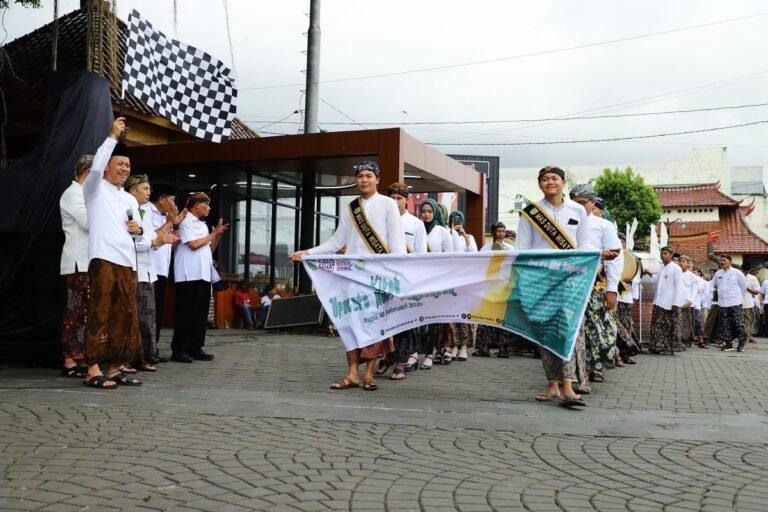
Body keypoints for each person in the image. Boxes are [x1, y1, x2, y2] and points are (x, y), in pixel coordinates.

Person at [290, 161, 406, 391]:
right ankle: (352, 373)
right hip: (351, 276)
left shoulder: (388, 205)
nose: (364, 180)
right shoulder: (350, 207)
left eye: (368, 176)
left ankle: (369, 374)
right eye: (360, 176)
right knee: (351, 324)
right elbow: (336, 242)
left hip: (376, 276)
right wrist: (307, 253)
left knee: (374, 324)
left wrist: (397, 274)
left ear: (377, 179)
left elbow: (397, 245)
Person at [516, 166, 593, 408]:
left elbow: (585, 243)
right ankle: (552, 385)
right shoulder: (530, 213)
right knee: (546, 331)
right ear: (539, 184)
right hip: (541, 281)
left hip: (570, 280)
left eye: (555, 178)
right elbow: (523, 250)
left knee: (568, 329)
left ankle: (568, 386)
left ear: (563, 182)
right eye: (545, 179)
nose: (550, 182)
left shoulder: (577, 210)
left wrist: (600, 255)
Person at [81, 117, 143, 389]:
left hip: (127, 262)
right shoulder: (94, 188)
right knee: (101, 311)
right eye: (119, 163)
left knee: (124, 314)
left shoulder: (130, 198)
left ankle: (114, 367)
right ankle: (92, 369)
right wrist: (112, 137)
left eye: (128, 165)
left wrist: (137, 230)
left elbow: (139, 233)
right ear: (106, 166)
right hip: (103, 257)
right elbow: (95, 167)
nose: (124, 169)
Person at [569, 184, 621, 385]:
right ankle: (572, 373)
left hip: (594, 285)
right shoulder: (563, 224)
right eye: (574, 203)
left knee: (596, 330)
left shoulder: (603, 226)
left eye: (583, 203)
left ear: (593, 203)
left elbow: (614, 259)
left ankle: (593, 368)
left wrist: (611, 290)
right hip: (569, 285)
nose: (579, 207)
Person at [126, 174, 178, 370]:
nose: (149, 193)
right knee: (137, 319)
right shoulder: (132, 211)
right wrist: (156, 241)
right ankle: (135, 356)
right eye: (145, 189)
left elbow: (149, 238)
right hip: (135, 269)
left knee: (149, 318)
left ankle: (146, 355)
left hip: (149, 270)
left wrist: (160, 240)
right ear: (132, 191)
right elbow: (133, 242)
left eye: (149, 189)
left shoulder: (142, 213)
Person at [171, 192, 229, 363]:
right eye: (207, 204)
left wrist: (216, 236)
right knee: (185, 314)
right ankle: (179, 349)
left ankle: (195, 347)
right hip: (188, 274)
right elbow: (194, 245)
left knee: (200, 315)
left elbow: (208, 249)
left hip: (203, 274)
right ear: (197, 204)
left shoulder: (202, 225)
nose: (209, 208)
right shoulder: (185, 221)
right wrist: (213, 234)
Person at [379, 182, 427, 379]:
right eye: (392, 198)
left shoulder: (415, 224)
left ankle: (400, 362)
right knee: (384, 321)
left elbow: (422, 255)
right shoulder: (379, 221)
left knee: (403, 321)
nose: (395, 202)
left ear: (406, 200)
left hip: (406, 279)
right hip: (383, 278)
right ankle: (388, 355)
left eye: (399, 198)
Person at [59, 155, 93, 379]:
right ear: (86, 172)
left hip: (88, 261)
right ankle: (69, 359)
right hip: (77, 262)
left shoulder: (86, 194)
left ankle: (80, 356)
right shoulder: (73, 194)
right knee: (75, 312)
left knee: (86, 313)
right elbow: (88, 223)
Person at [146, 184, 186, 362]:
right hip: (150, 267)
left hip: (162, 268)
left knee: (158, 311)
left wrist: (173, 225)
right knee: (149, 311)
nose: (173, 203)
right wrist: (170, 221)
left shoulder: (164, 215)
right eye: (171, 199)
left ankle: (154, 348)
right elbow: (149, 236)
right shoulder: (146, 211)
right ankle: (147, 350)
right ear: (161, 199)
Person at [419, 198, 456, 366]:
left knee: (440, 317)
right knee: (425, 317)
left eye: (429, 211)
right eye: (423, 211)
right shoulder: (418, 229)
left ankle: (442, 349)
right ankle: (429, 351)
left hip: (440, 281)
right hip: (421, 280)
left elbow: (451, 257)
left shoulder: (442, 232)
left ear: (435, 213)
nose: (426, 215)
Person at [475, 221, 516, 358]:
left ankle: (503, 349)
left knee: (502, 318)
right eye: (498, 231)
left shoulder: (510, 249)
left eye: (503, 231)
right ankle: (484, 348)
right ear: (493, 232)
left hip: (503, 287)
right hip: (489, 287)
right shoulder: (485, 249)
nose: (501, 234)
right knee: (485, 317)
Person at [644, 246, 687, 355]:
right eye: (661, 253)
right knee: (656, 326)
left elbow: (679, 287)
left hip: (670, 303)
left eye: (665, 253)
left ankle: (669, 348)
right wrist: (649, 273)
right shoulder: (661, 267)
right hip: (658, 301)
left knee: (669, 327)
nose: (663, 255)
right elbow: (657, 280)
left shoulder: (676, 269)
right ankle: (656, 346)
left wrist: (676, 303)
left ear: (671, 255)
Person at [615, 232, 641, 364]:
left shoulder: (631, 257)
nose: (620, 243)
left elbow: (636, 278)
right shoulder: (611, 256)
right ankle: (615, 356)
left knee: (626, 327)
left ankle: (626, 355)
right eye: (617, 240)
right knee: (614, 329)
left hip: (626, 298)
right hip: (613, 298)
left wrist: (630, 281)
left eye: (622, 241)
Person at [712, 255, 747, 352]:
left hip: (735, 302)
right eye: (721, 260)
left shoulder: (737, 273)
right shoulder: (718, 273)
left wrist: (738, 298)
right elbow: (712, 285)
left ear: (730, 262)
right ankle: (728, 344)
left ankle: (741, 343)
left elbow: (743, 287)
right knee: (725, 324)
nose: (722, 262)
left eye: (724, 260)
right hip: (723, 303)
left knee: (738, 323)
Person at [741, 263, 760, 348]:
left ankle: (746, 342)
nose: (745, 273)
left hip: (748, 304)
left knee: (747, 324)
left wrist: (747, 288)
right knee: (737, 323)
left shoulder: (753, 278)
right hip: (737, 303)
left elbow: (756, 292)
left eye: (747, 271)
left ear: (749, 271)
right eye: (744, 271)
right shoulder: (738, 276)